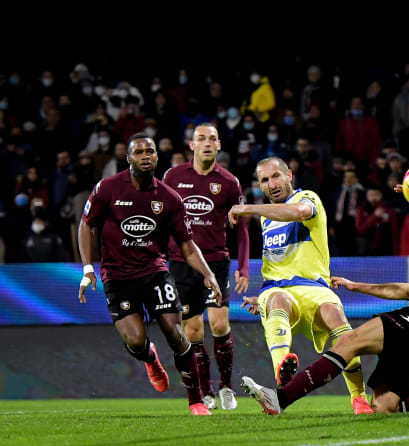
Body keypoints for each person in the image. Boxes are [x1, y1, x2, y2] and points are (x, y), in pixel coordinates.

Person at [77, 132, 221, 416]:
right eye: (139, 152)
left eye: (150, 151)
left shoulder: (169, 198)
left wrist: (208, 274)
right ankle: (150, 358)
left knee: (176, 333)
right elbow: (86, 224)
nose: (146, 156)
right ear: (128, 158)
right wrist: (87, 268)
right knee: (135, 341)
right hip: (117, 276)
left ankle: (195, 400)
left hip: (154, 271)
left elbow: (187, 246)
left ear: (157, 156)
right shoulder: (107, 188)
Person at [240, 251, 409, 415]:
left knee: (350, 340)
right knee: (384, 405)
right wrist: (355, 285)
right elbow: (404, 290)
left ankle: (280, 399)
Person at [228, 157, 373, 415]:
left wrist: (247, 208)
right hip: (278, 290)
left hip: (314, 288)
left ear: (290, 175)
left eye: (276, 176)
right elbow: (274, 263)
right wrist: (261, 296)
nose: (271, 184)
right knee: (277, 300)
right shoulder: (266, 221)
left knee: (335, 316)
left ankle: (359, 398)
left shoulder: (308, 198)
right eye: (264, 180)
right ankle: (282, 373)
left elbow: (298, 213)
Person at [163, 123, 250, 410]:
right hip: (181, 263)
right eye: (201, 139)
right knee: (193, 332)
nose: (207, 143)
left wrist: (244, 267)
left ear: (219, 145)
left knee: (220, 323)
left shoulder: (229, 182)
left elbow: (242, 229)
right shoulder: (173, 176)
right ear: (192, 145)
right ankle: (207, 391)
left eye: (212, 138)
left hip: (217, 262)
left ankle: (227, 388)